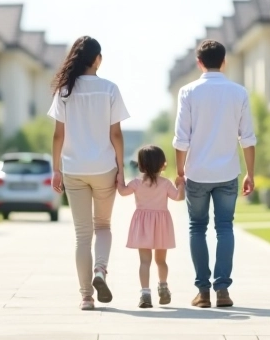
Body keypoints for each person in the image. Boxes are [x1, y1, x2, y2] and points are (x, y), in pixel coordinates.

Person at [48, 36, 130, 311]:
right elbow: (116, 134)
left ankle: (86, 297)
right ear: (97, 59)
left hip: (73, 169)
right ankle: (100, 271)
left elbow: (58, 135)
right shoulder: (109, 89)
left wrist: (56, 169)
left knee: (82, 235)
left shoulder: (64, 91)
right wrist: (121, 170)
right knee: (103, 226)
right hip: (104, 167)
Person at [173, 39, 256, 309]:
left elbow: (181, 138)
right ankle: (222, 290)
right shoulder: (238, 92)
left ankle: (203, 292)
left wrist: (180, 171)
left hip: (197, 172)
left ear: (199, 63)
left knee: (197, 228)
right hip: (228, 172)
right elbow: (247, 138)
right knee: (225, 228)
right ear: (224, 61)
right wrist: (250, 173)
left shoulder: (188, 92)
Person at [117, 145, 185, 309]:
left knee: (144, 261)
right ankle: (163, 286)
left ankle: (145, 294)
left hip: (143, 225)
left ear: (141, 165)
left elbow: (122, 192)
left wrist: (119, 177)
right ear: (162, 164)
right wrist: (181, 184)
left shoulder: (137, 183)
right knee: (161, 261)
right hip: (161, 225)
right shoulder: (166, 183)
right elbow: (179, 197)